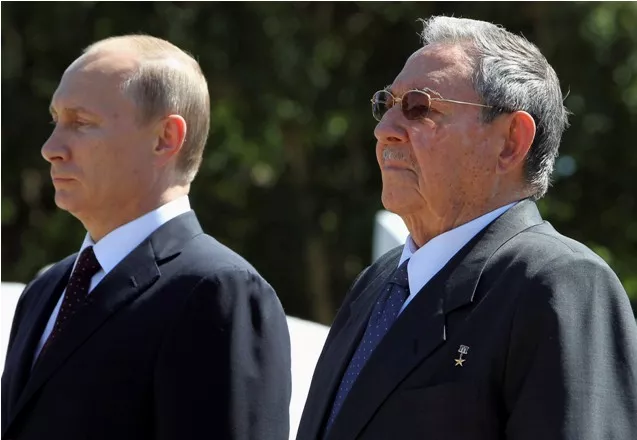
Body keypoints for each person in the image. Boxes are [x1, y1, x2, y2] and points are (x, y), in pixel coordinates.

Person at [297, 15, 637, 440]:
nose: (384, 131)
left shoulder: (560, 284)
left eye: (418, 107)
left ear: (510, 141)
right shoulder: (376, 285)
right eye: (387, 104)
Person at [1, 35, 291, 440]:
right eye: (55, 121)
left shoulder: (219, 291)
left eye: (81, 123)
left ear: (165, 139)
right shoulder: (46, 290)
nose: (51, 148)